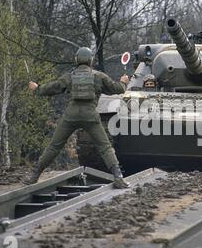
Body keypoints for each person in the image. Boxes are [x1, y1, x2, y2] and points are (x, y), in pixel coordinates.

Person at [23, 47, 130, 189]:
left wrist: (37, 88)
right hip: (90, 116)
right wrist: (123, 81)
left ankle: (34, 176)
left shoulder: (70, 76)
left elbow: (54, 87)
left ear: (76, 60)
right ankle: (118, 177)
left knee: (54, 146)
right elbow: (118, 89)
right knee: (105, 147)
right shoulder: (99, 76)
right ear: (91, 60)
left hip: (71, 115)